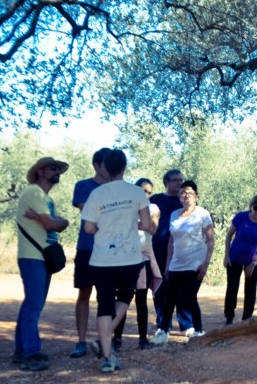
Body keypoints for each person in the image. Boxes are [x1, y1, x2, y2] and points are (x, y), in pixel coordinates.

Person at [81, 149, 155, 374]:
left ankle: (107, 358)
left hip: (102, 259)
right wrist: (130, 223)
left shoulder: (96, 194)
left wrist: (105, 225)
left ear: (105, 167)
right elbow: (147, 225)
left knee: (104, 304)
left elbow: (89, 228)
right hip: (130, 257)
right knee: (124, 297)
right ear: (124, 167)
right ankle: (107, 344)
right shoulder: (137, 192)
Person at [14, 156, 70, 372]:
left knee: (31, 304)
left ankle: (21, 350)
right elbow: (52, 224)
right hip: (32, 256)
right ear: (40, 171)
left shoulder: (46, 199)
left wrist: (57, 221)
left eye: (58, 168)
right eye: (53, 168)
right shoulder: (34, 193)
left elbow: (59, 224)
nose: (57, 172)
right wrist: (54, 221)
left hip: (41, 256)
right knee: (34, 305)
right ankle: (30, 353)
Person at [150, 181, 214, 345]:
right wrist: (167, 264)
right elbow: (171, 240)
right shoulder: (174, 214)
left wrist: (205, 264)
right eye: (183, 193)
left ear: (196, 196)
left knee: (188, 297)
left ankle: (198, 331)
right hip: (176, 263)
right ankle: (163, 332)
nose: (186, 195)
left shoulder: (202, 214)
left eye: (190, 193)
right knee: (170, 298)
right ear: (179, 196)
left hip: (195, 263)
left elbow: (210, 240)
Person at [67, 147, 111, 358]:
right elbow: (88, 210)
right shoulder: (83, 186)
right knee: (84, 293)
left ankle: (104, 341)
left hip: (111, 249)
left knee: (106, 297)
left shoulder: (117, 187)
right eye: (106, 163)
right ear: (96, 165)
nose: (110, 168)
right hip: (87, 248)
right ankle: (81, 341)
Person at [113, 178, 161, 350]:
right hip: (124, 257)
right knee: (122, 297)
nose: (146, 194)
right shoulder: (125, 206)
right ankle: (116, 338)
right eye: (143, 191)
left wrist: (132, 223)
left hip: (143, 258)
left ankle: (142, 339)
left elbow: (153, 228)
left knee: (141, 298)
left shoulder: (153, 208)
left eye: (149, 192)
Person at [149, 168, 191, 331]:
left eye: (182, 180)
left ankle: (186, 324)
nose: (180, 183)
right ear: (167, 182)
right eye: (176, 180)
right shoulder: (156, 199)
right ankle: (163, 324)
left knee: (182, 288)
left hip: (182, 251)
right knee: (161, 288)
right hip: (158, 249)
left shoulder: (187, 202)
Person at [222, 195, 257, 325]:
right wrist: (226, 255)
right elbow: (229, 235)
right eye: (256, 208)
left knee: (250, 289)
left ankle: (247, 318)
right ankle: (229, 317)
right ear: (251, 206)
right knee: (232, 287)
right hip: (235, 257)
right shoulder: (241, 217)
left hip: (253, 261)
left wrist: (253, 263)